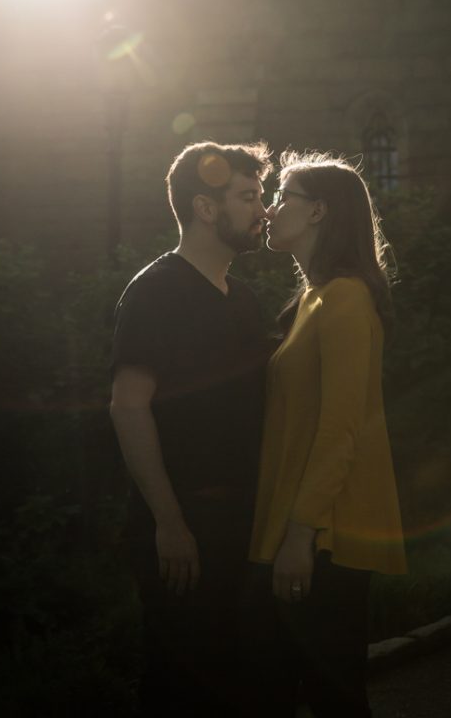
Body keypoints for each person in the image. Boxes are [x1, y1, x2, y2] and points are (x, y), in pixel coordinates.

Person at [109, 141, 272, 718]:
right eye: (249, 197)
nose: (264, 210)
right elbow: (129, 407)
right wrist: (170, 523)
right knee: (182, 688)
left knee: (243, 685)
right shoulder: (156, 290)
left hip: (243, 526)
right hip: (186, 530)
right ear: (206, 208)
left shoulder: (245, 299)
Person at [246, 150, 407, 718]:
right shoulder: (313, 300)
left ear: (317, 212)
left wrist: (300, 534)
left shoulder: (345, 298)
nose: (267, 211)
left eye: (281, 198)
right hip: (303, 528)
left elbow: (341, 428)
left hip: (322, 538)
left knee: (333, 699)